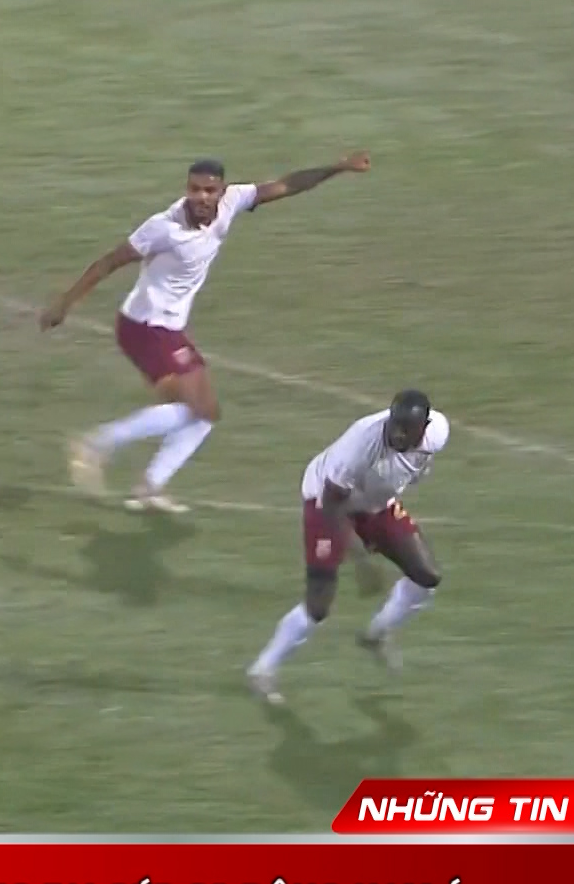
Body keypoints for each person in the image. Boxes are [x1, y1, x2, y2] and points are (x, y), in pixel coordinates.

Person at [38, 153, 369, 512]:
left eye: (209, 190)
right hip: (143, 326)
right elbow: (108, 262)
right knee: (191, 409)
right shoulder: (163, 227)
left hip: (170, 329)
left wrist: (338, 167)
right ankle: (97, 444)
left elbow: (288, 185)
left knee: (205, 415)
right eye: (194, 189)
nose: (201, 197)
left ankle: (149, 486)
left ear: (221, 191)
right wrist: (64, 303)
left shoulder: (233, 201)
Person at [246, 390, 447, 704]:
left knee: (426, 576)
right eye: (395, 425)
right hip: (326, 500)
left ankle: (377, 634)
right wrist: (361, 559)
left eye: (406, 429)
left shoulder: (437, 434)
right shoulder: (362, 443)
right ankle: (263, 669)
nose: (397, 434)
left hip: (375, 502)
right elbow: (332, 505)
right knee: (319, 601)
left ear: (423, 428)